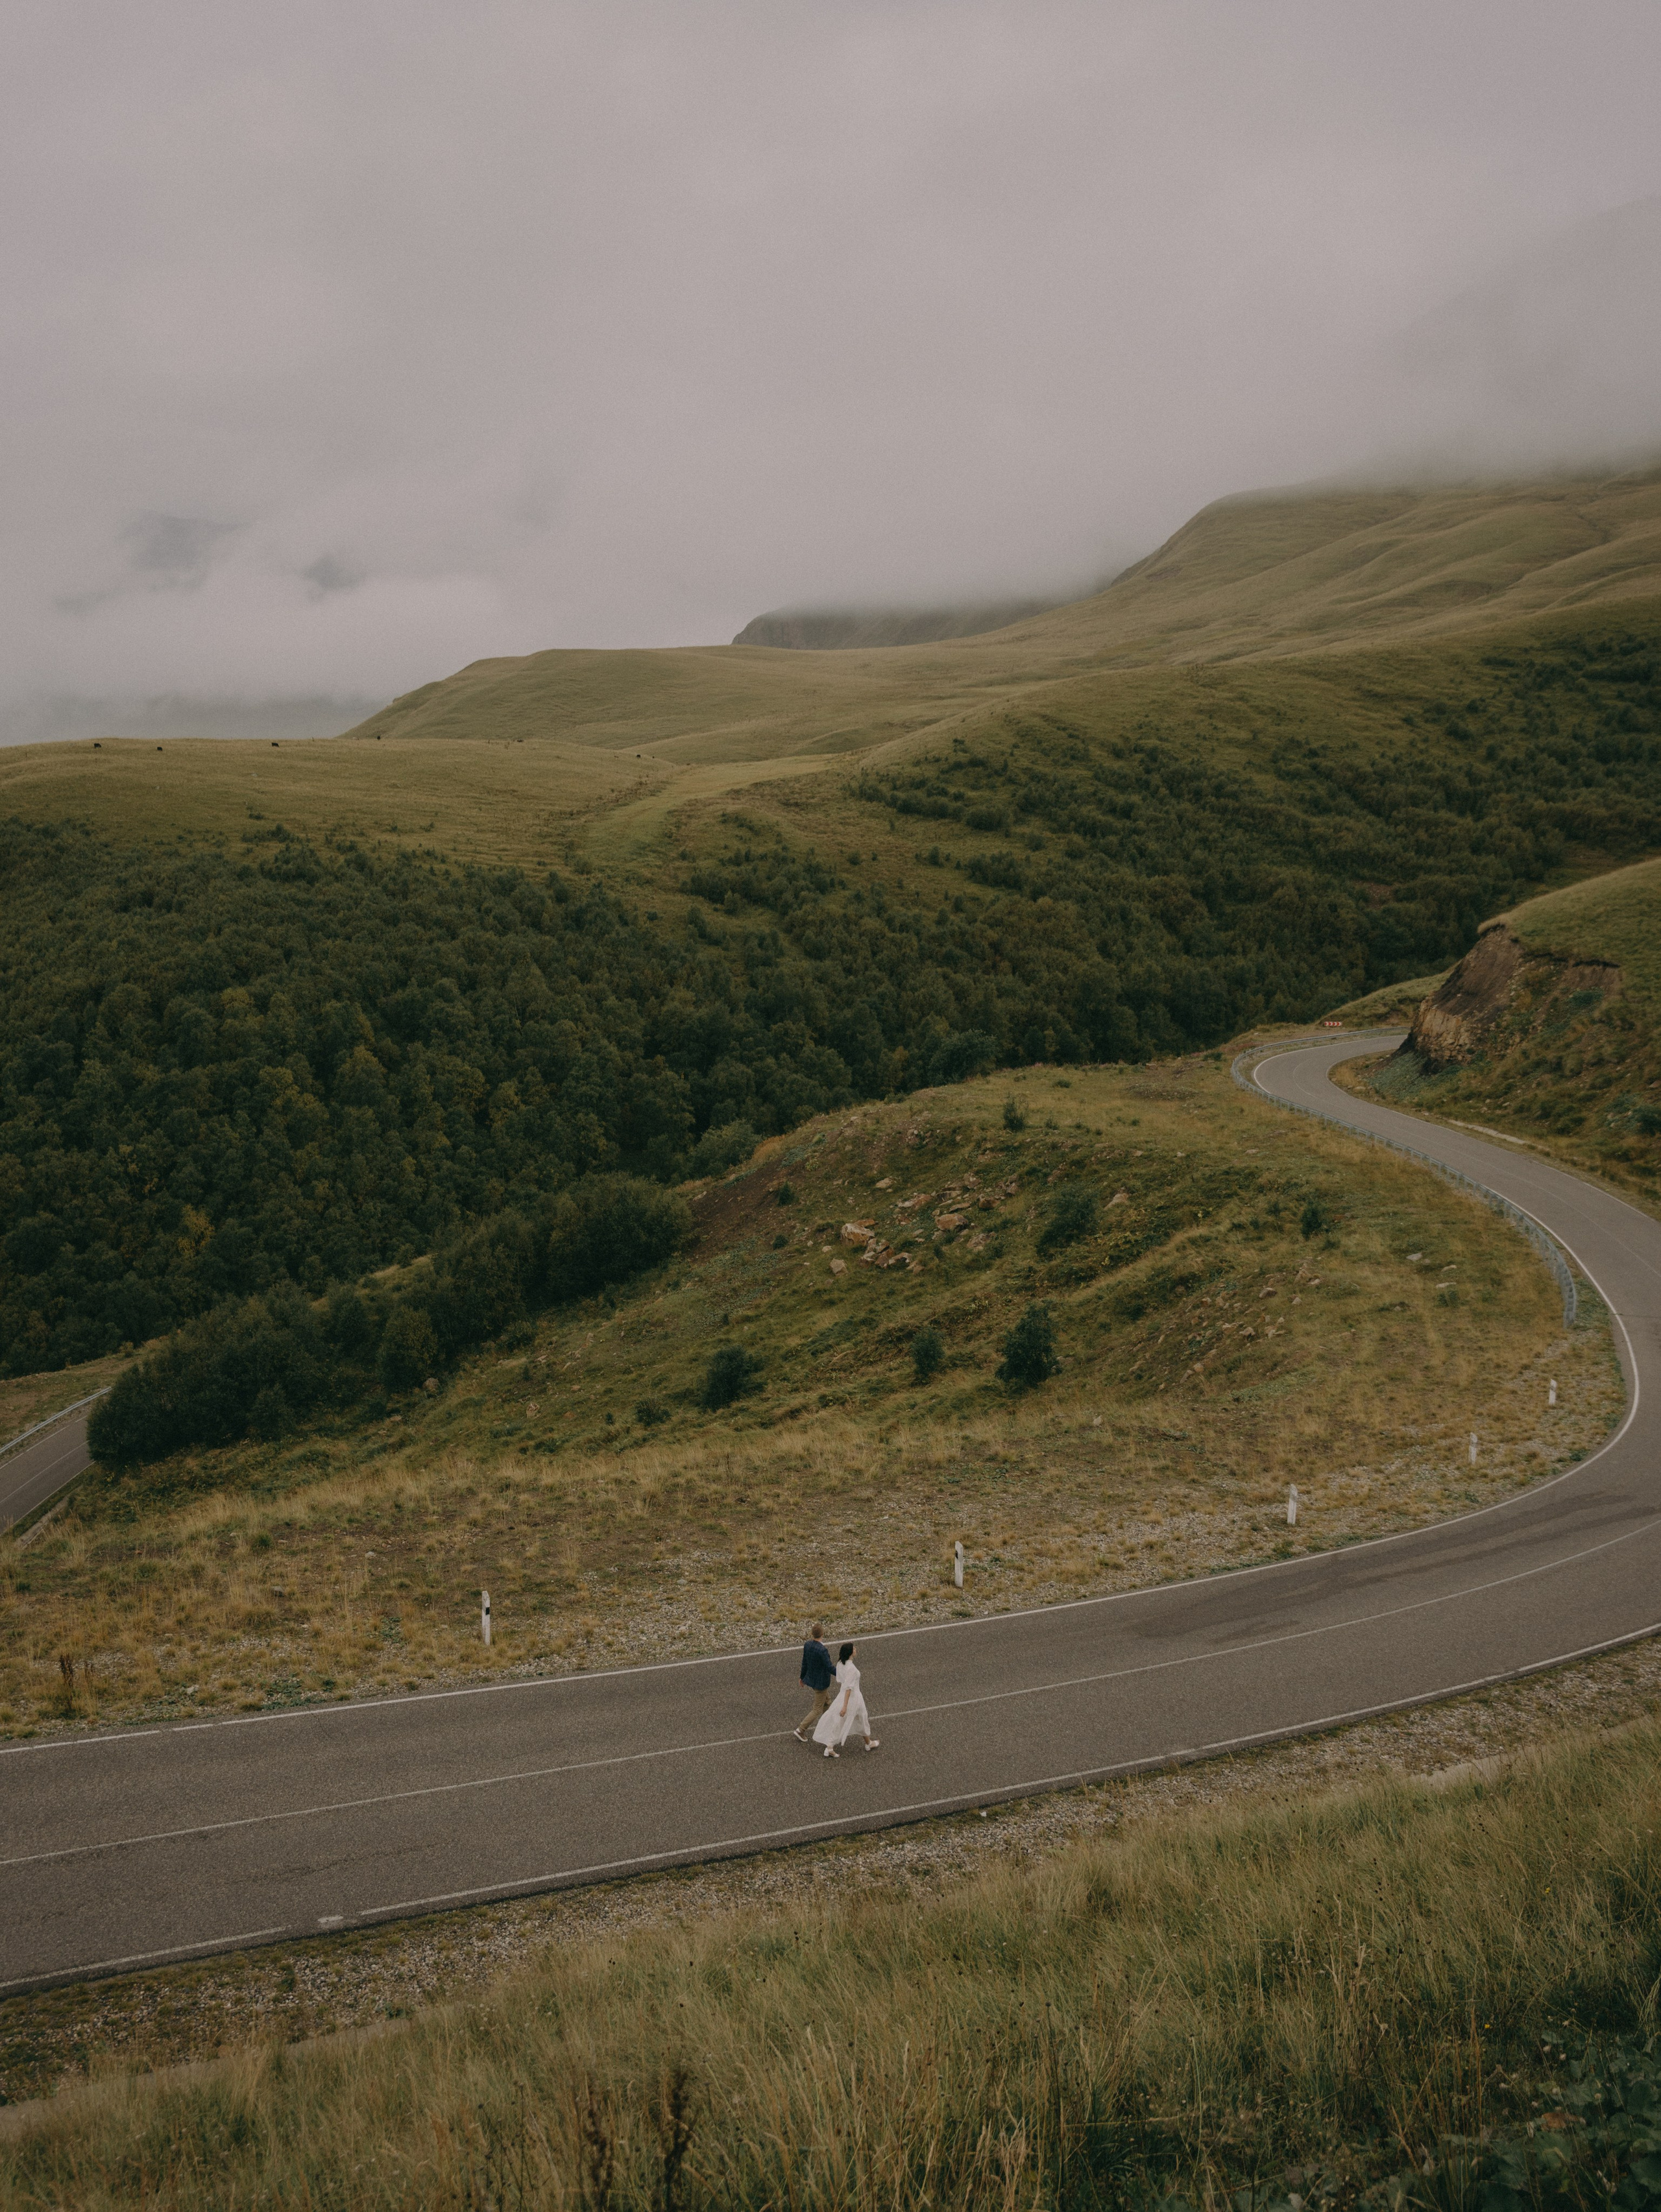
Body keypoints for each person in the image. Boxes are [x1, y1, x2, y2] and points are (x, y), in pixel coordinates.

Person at [813, 1641, 879, 1757]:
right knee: (854, 1719)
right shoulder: (851, 1669)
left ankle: (868, 1742)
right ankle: (830, 1746)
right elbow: (849, 1688)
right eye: (854, 1649)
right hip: (854, 1698)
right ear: (850, 1653)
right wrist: (845, 1706)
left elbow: (841, 1680)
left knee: (853, 1719)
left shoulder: (840, 1664)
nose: (856, 1650)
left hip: (843, 1695)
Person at [794, 1622, 836, 1742]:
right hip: (821, 1683)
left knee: (827, 1702)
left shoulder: (807, 1645)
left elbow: (805, 1663)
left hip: (813, 1680)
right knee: (817, 1709)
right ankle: (801, 1729)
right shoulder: (822, 1650)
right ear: (822, 1634)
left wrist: (802, 1677)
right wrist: (843, 1674)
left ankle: (828, 1726)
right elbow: (829, 1667)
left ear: (812, 1634)